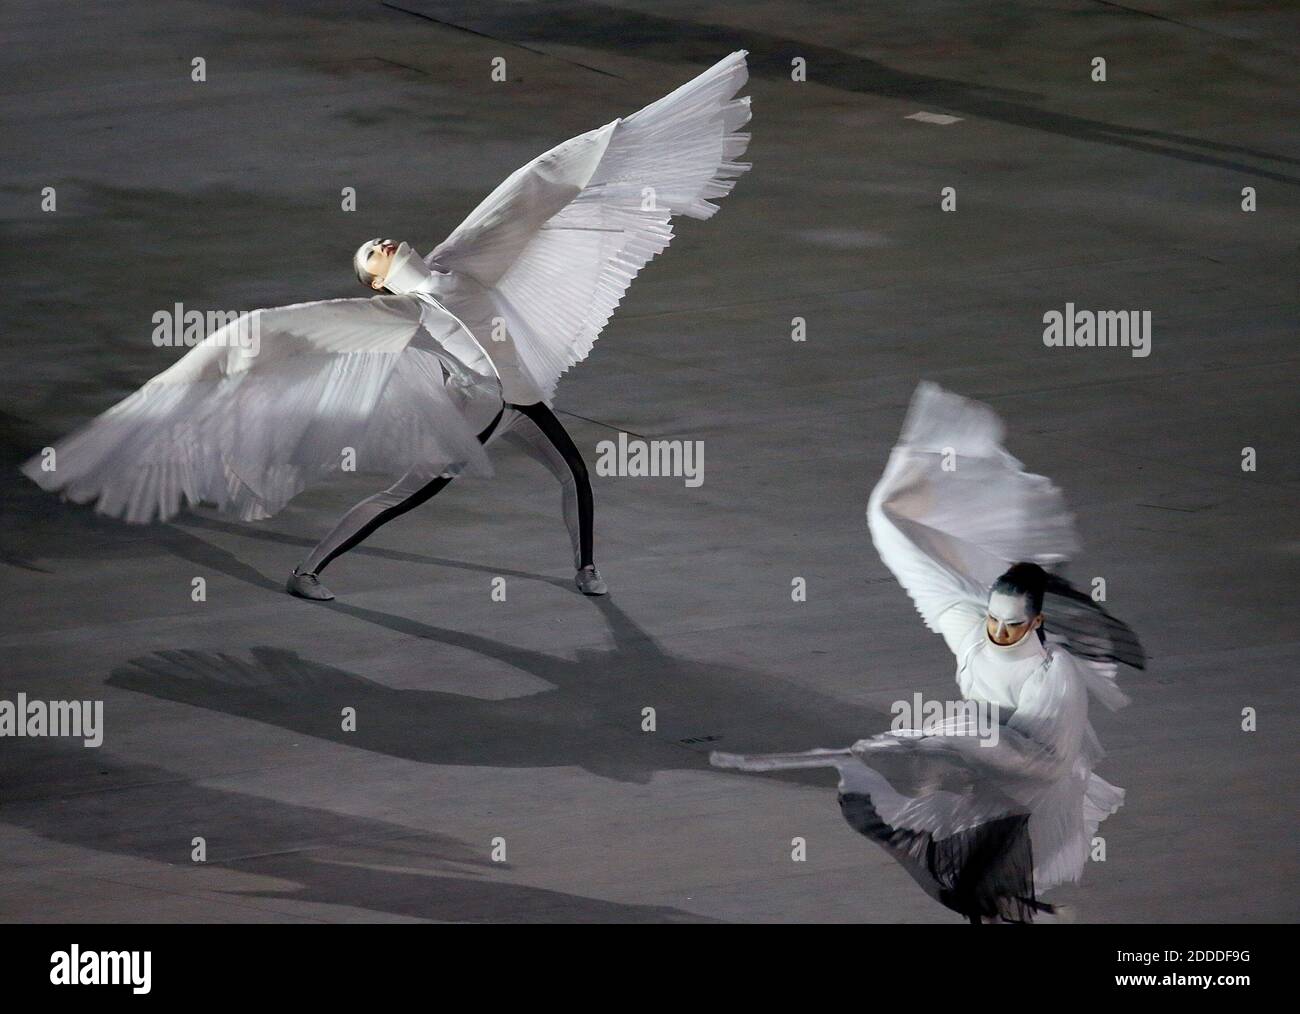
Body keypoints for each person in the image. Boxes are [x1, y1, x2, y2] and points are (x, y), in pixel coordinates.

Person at [22, 52, 752, 601]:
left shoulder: (462, 262)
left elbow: (537, 186)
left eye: (383, 237)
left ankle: (587, 568)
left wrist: (623, 139)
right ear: (374, 278)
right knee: (398, 498)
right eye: (374, 250)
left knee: (575, 475)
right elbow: (253, 339)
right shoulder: (390, 314)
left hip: (524, 400)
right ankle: (309, 569)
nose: (385, 241)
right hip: (472, 414)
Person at [713, 382, 1144, 923]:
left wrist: (950, 738)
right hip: (983, 780)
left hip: (1025, 793)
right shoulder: (973, 630)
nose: (999, 633)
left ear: (1035, 622)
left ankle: (1014, 909)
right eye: (993, 619)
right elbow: (924, 575)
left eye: (1013, 626)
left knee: (984, 889)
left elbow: (1048, 763)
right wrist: (887, 511)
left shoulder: (1053, 676)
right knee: (966, 880)